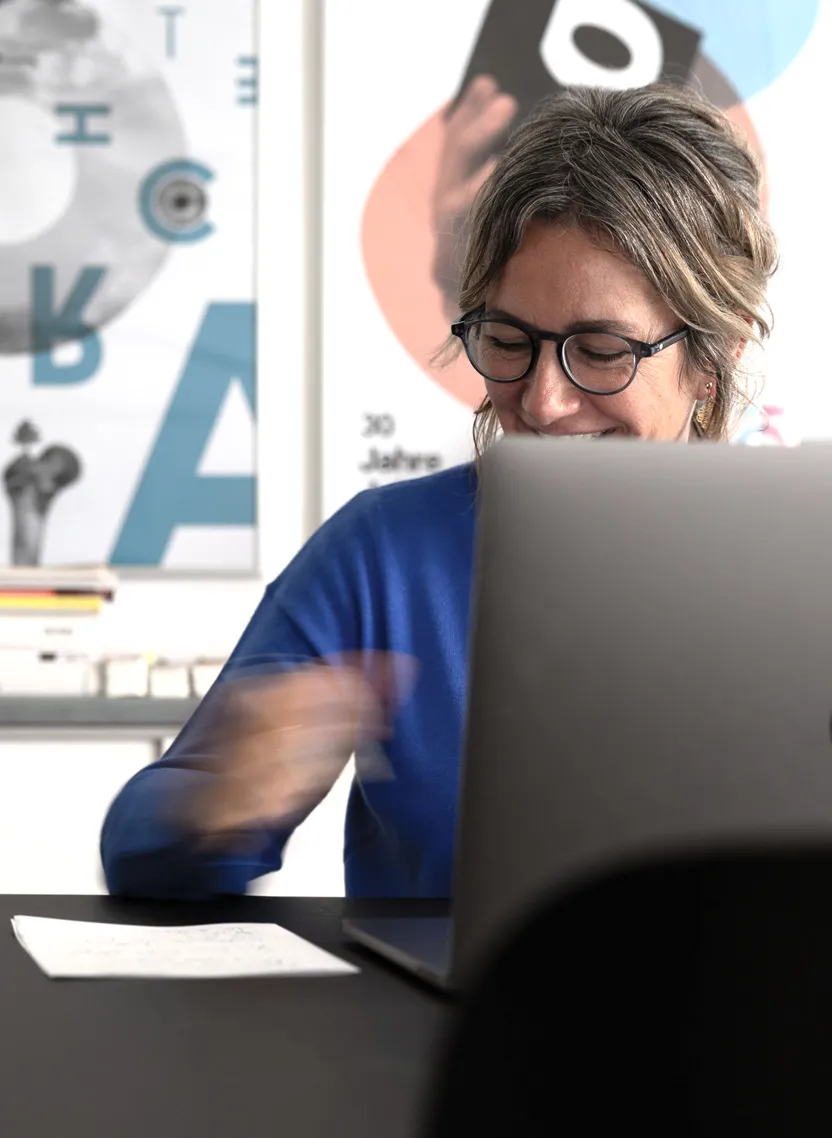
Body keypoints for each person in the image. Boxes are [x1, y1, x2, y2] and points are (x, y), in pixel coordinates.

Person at [101, 83, 778, 900]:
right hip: (435, 1029)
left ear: (716, 355)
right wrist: (214, 803)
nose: (543, 400)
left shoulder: (800, 567)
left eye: (600, 350)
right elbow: (139, 849)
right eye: (508, 340)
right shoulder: (388, 553)